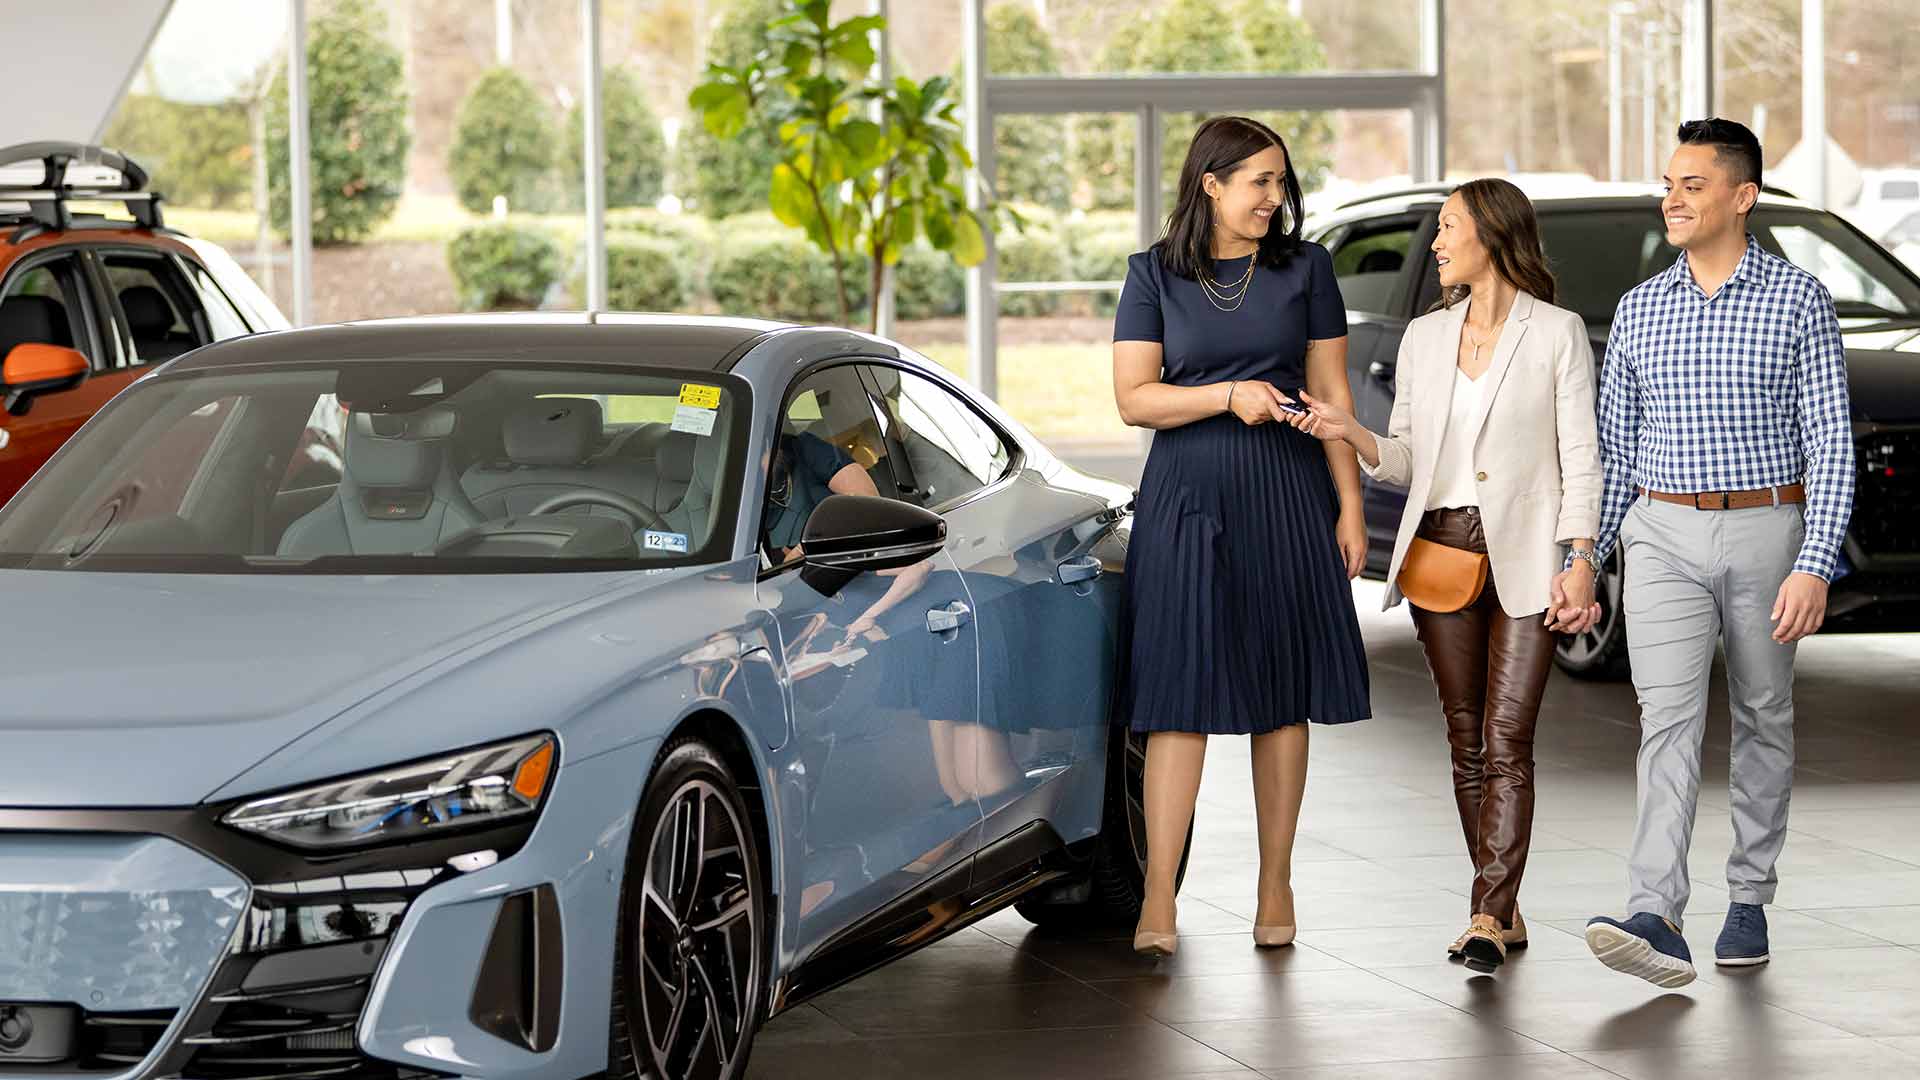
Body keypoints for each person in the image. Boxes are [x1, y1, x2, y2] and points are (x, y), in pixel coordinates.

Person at [1288, 178, 1603, 973]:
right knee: (1467, 740)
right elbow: (1407, 460)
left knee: (1507, 737)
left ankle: (1487, 914)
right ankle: (1498, 906)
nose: (1435, 242)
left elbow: (1582, 459)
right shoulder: (1427, 339)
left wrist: (1582, 557)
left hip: (1528, 555)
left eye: (1447, 227)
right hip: (1442, 552)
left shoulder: (1557, 333)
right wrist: (1348, 430)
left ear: (1491, 234)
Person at [1581, 118, 1854, 988]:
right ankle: (1655, 912)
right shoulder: (1640, 307)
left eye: (1693, 183)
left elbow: (1832, 444)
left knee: (1764, 714)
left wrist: (1815, 561)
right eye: (1669, 181)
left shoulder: (1799, 299)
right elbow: (1616, 449)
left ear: (1744, 196)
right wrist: (1584, 557)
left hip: (1768, 527)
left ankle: (1749, 897)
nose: (1673, 197)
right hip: (1659, 533)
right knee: (1666, 721)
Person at [1112, 115, 1370, 959]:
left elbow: (1331, 393)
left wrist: (1350, 506)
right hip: (1186, 494)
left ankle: (1275, 882)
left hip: (1288, 491)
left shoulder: (1306, 267)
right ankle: (1158, 897)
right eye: (1257, 181)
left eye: (1280, 182)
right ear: (1210, 184)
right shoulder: (1152, 274)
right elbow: (1135, 398)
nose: (1274, 197)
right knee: (1176, 694)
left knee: (1279, 694)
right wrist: (1228, 396)